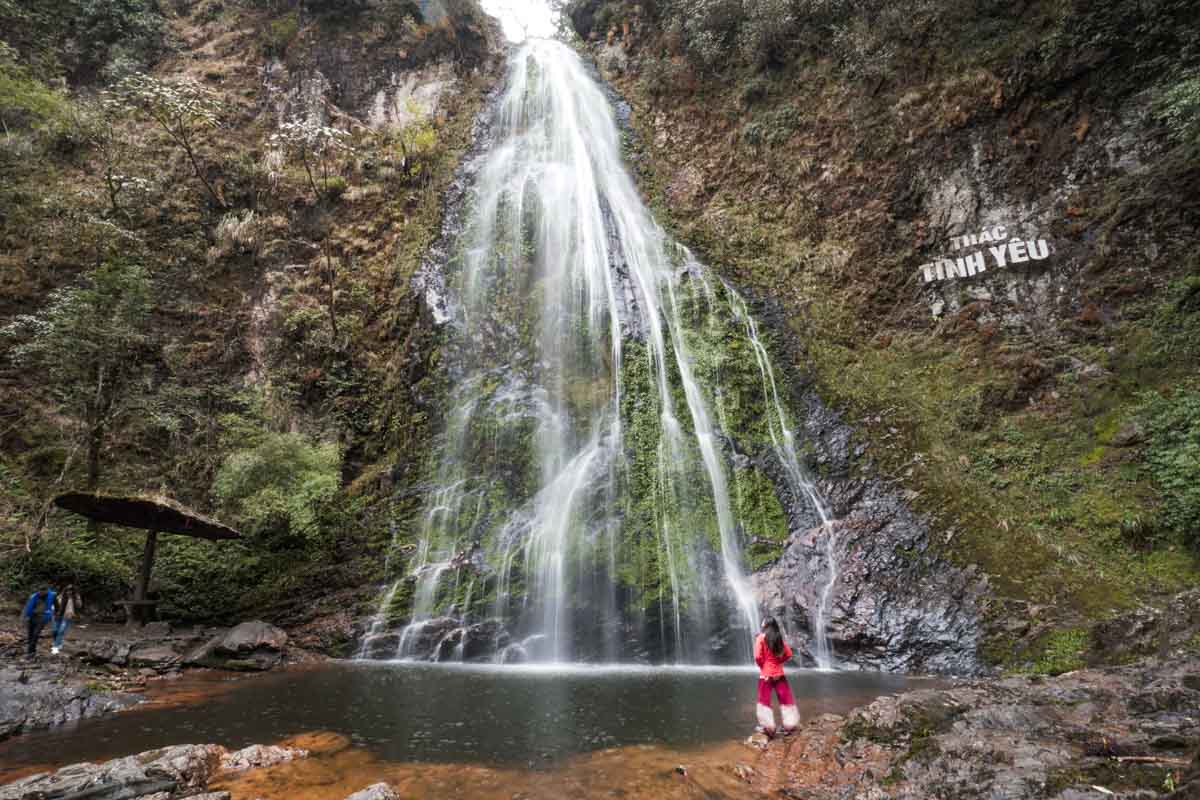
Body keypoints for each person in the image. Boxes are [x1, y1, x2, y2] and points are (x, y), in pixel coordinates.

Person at [754, 617, 799, 737]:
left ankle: (768, 728)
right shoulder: (778, 638)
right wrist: (778, 661)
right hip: (779, 674)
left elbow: (758, 657)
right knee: (786, 700)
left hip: (766, 675)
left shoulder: (760, 638)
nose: (761, 623)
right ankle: (789, 726)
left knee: (764, 701)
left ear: (766, 625)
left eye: (763, 621)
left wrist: (764, 666)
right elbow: (788, 654)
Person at [21, 587, 56, 659]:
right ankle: (32, 651)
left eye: (43, 591)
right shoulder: (33, 597)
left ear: (46, 591)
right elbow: (27, 607)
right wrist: (23, 618)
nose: (41, 593)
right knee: (30, 635)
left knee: (36, 634)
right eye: (40, 591)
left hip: (42, 618)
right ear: (38, 591)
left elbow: (57, 606)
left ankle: (29, 652)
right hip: (32, 617)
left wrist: (54, 614)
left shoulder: (52, 597)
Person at [51, 584, 81, 655]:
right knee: (55, 631)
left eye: (71, 591)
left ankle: (55, 647)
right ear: (65, 590)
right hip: (58, 616)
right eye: (68, 590)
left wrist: (77, 598)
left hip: (68, 617)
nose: (69, 592)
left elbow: (79, 606)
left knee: (61, 631)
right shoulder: (61, 596)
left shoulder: (75, 598)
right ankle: (58, 642)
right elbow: (55, 605)